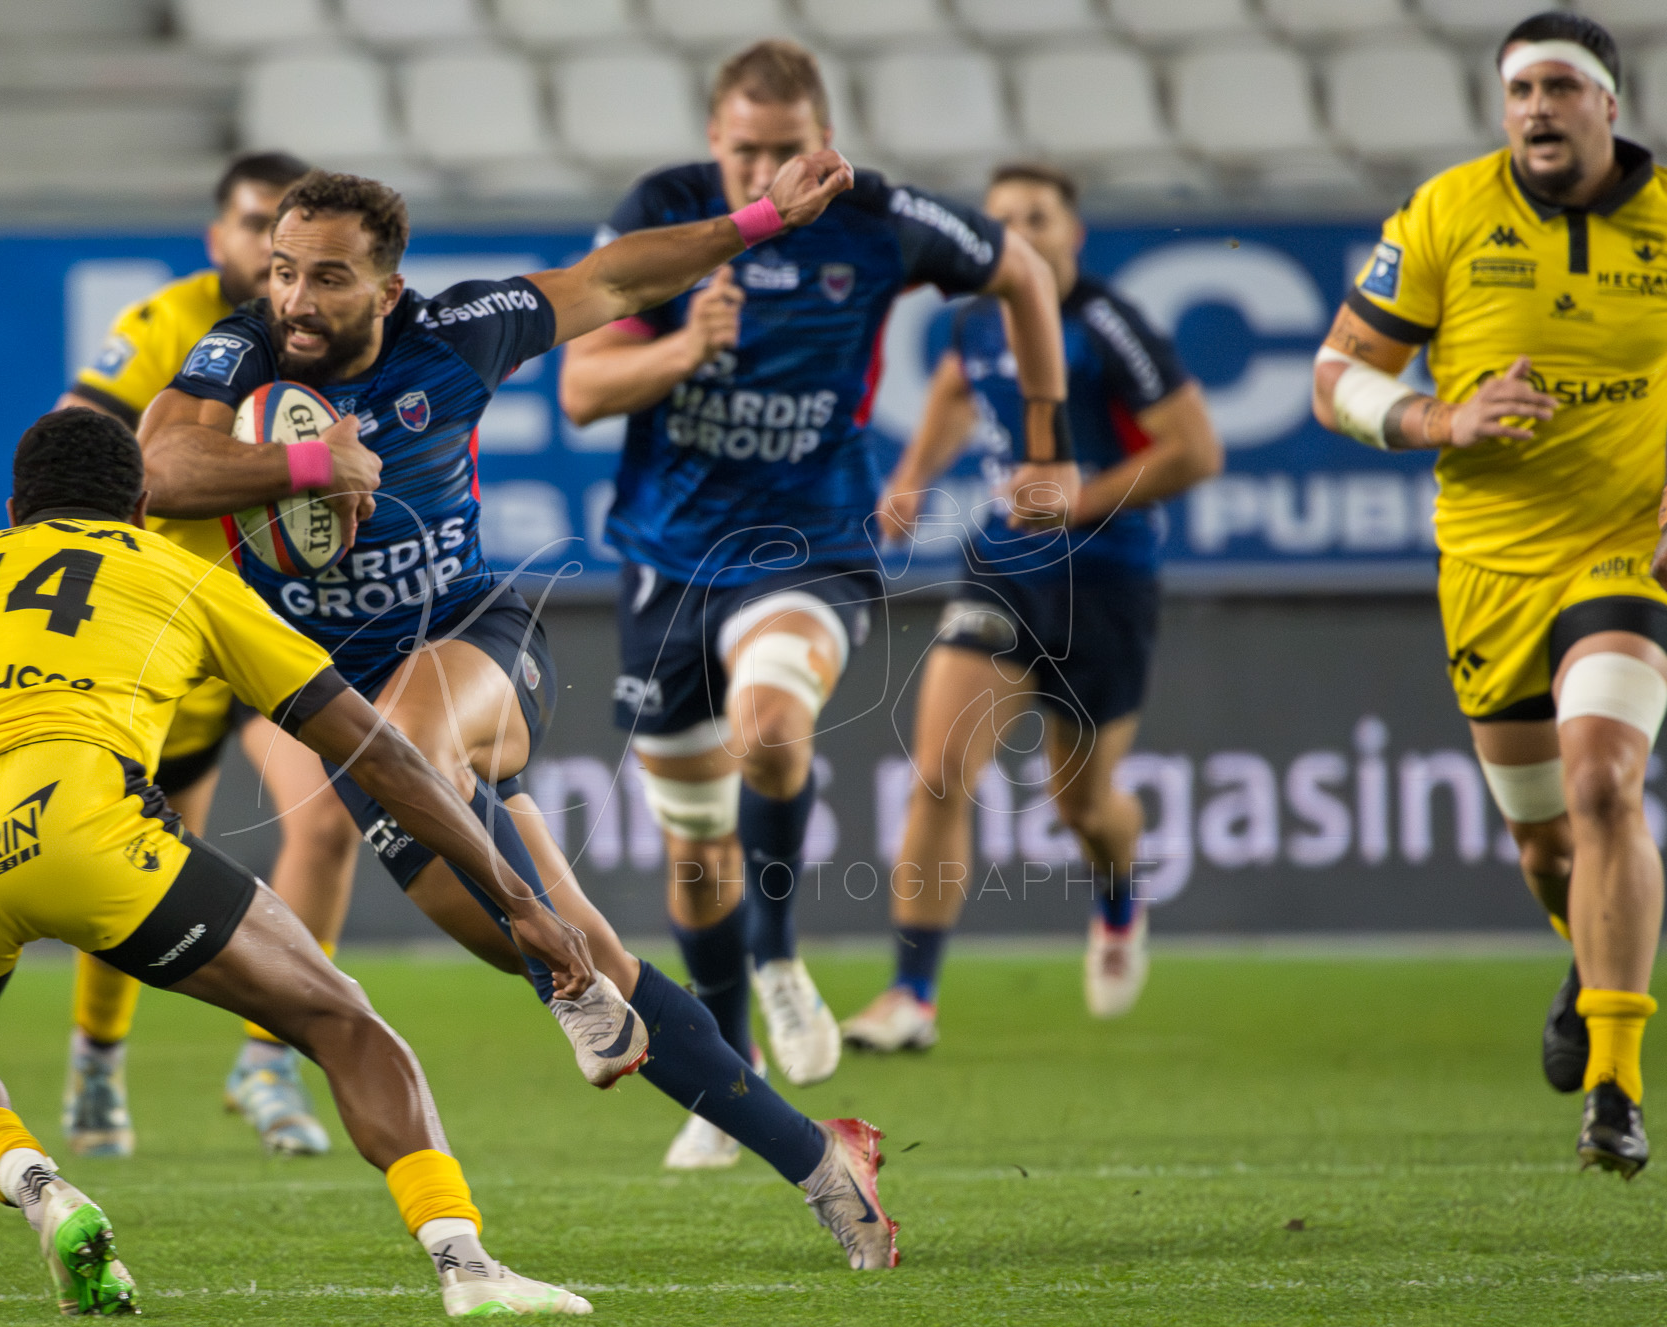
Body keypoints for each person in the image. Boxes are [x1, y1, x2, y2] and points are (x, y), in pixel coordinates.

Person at [138, 164, 901, 1269]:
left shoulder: (457, 336)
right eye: (284, 271)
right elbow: (155, 463)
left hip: (477, 651)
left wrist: (758, 221)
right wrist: (307, 461)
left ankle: (562, 972)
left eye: (331, 278)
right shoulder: (246, 350)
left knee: (420, 745)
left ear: (389, 289)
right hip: (352, 723)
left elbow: (613, 279)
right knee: (572, 952)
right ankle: (824, 1162)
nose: (297, 299)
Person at [0, 408, 594, 1318]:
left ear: (13, 507)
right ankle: (466, 1265)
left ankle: (40, 1188)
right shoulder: (179, 572)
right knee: (342, 1022)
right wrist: (515, 897)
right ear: (143, 503)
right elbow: (377, 751)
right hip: (79, 832)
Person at [557, 40, 1071, 1169]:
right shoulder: (665, 217)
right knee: (695, 854)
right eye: (743, 150)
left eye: (787, 152)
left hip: (810, 546)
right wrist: (686, 346)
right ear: (712, 142)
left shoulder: (881, 220)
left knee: (773, 720)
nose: (764, 173)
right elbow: (582, 388)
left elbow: (1024, 275)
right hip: (666, 561)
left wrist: (1045, 440)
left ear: (823, 146)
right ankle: (722, 1077)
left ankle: (781, 951)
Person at [1311, 12, 1667, 1177]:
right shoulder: (1443, 216)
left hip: (1622, 554)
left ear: (1607, 104)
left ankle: (1613, 1088)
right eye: (1516, 90)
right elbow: (1333, 379)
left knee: (1603, 779)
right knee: (1544, 848)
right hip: (1486, 563)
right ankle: (1591, 955)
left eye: (1558, 87)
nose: (1534, 108)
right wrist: (1437, 418)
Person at [846, 163, 1222, 1047]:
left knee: (1082, 807)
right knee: (938, 770)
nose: (1022, 231)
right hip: (1003, 570)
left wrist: (1079, 499)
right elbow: (952, 391)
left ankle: (1121, 896)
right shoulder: (978, 319)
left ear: (1073, 233)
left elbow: (1195, 451)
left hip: (1105, 583)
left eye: (1039, 217)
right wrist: (906, 481)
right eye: (1005, 219)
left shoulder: (1109, 326)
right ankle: (912, 996)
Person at [58, 151, 359, 1158]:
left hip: (278, 626)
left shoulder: (333, 338)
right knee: (130, 868)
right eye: (251, 226)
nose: (269, 250)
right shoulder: (166, 328)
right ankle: (98, 1060)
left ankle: (267, 1059)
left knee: (324, 826)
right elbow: (74, 439)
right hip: (171, 632)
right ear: (218, 238)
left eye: (287, 235)